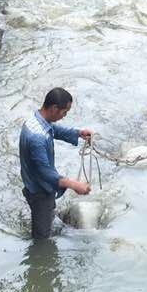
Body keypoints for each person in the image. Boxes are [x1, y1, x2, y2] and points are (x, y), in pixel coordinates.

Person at [19, 87, 94, 239]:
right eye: (64, 112)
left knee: (46, 214)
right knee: (42, 238)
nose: (64, 116)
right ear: (54, 108)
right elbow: (45, 173)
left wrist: (78, 133)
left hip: (33, 182)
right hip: (39, 190)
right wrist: (74, 184)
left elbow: (54, 130)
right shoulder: (37, 138)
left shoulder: (36, 121)